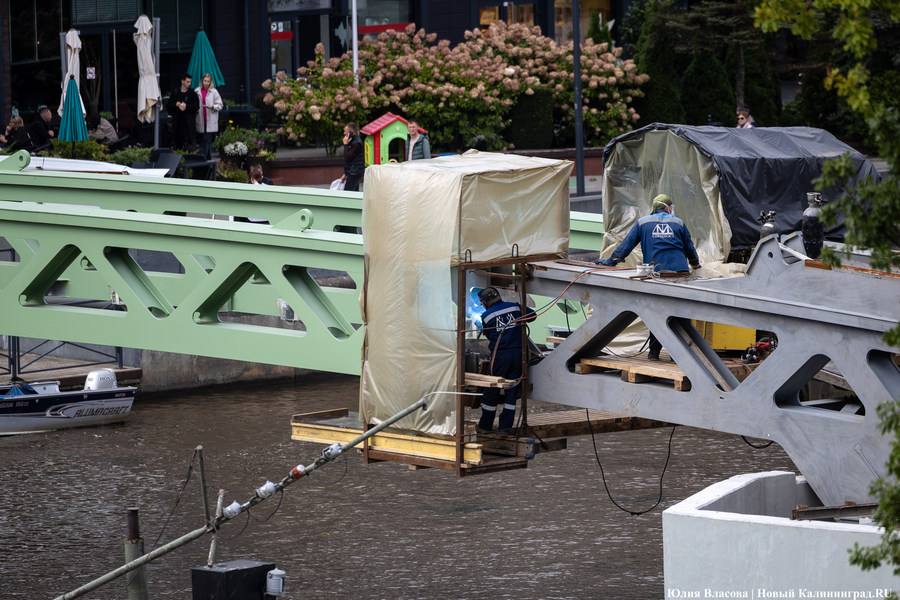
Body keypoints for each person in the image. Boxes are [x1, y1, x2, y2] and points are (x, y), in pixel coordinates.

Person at [595, 194, 701, 360]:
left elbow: (626, 246)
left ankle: (653, 353)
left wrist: (610, 262)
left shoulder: (643, 222)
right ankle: (678, 356)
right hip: (680, 273)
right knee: (680, 312)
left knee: (657, 313)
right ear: (667, 208)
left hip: (657, 275)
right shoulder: (678, 223)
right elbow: (690, 249)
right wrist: (695, 265)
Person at [476, 287, 536, 436]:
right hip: (519, 354)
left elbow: (490, 336)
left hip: (500, 355)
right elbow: (533, 316)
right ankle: (505, 429)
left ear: (484, 302)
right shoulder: (515, 306)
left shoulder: (486, 316)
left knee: (492, 388)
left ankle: (485, 426)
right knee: (511, 390)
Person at [167, 73, 199, 151]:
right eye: (187, 82)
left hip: (189, 124)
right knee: (178, 144)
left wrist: (186, 106)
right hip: (178, 123)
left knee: (188, 144)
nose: (189, 84)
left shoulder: (193, 94)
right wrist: (176, 104)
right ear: (182, 81)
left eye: (190, 82)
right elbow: (169, 107)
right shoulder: (175, 93)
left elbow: (196, 107)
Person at [195, 73, 223, 159]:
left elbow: (220, 105)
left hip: (210, 121)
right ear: (202, 81)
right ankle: (207, 164)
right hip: (200, 120)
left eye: (208, 81)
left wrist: (213, 106)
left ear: (210, 82)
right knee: (201, 143)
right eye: (205, 81)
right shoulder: (197, 91)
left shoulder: (214, 91)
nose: (206, 83)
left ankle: (203, 161)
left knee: (206, 142)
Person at [340, 122, 365, 192]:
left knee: (348, 192)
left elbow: (348, 156)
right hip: (353, 171)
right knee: (354, 193)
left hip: (355, 172)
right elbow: (350, 161)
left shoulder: (357, 143)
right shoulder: (352, 141)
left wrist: (345, 144)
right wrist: (345, 174)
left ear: (351, 132)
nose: (344, 133)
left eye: (346, 131)